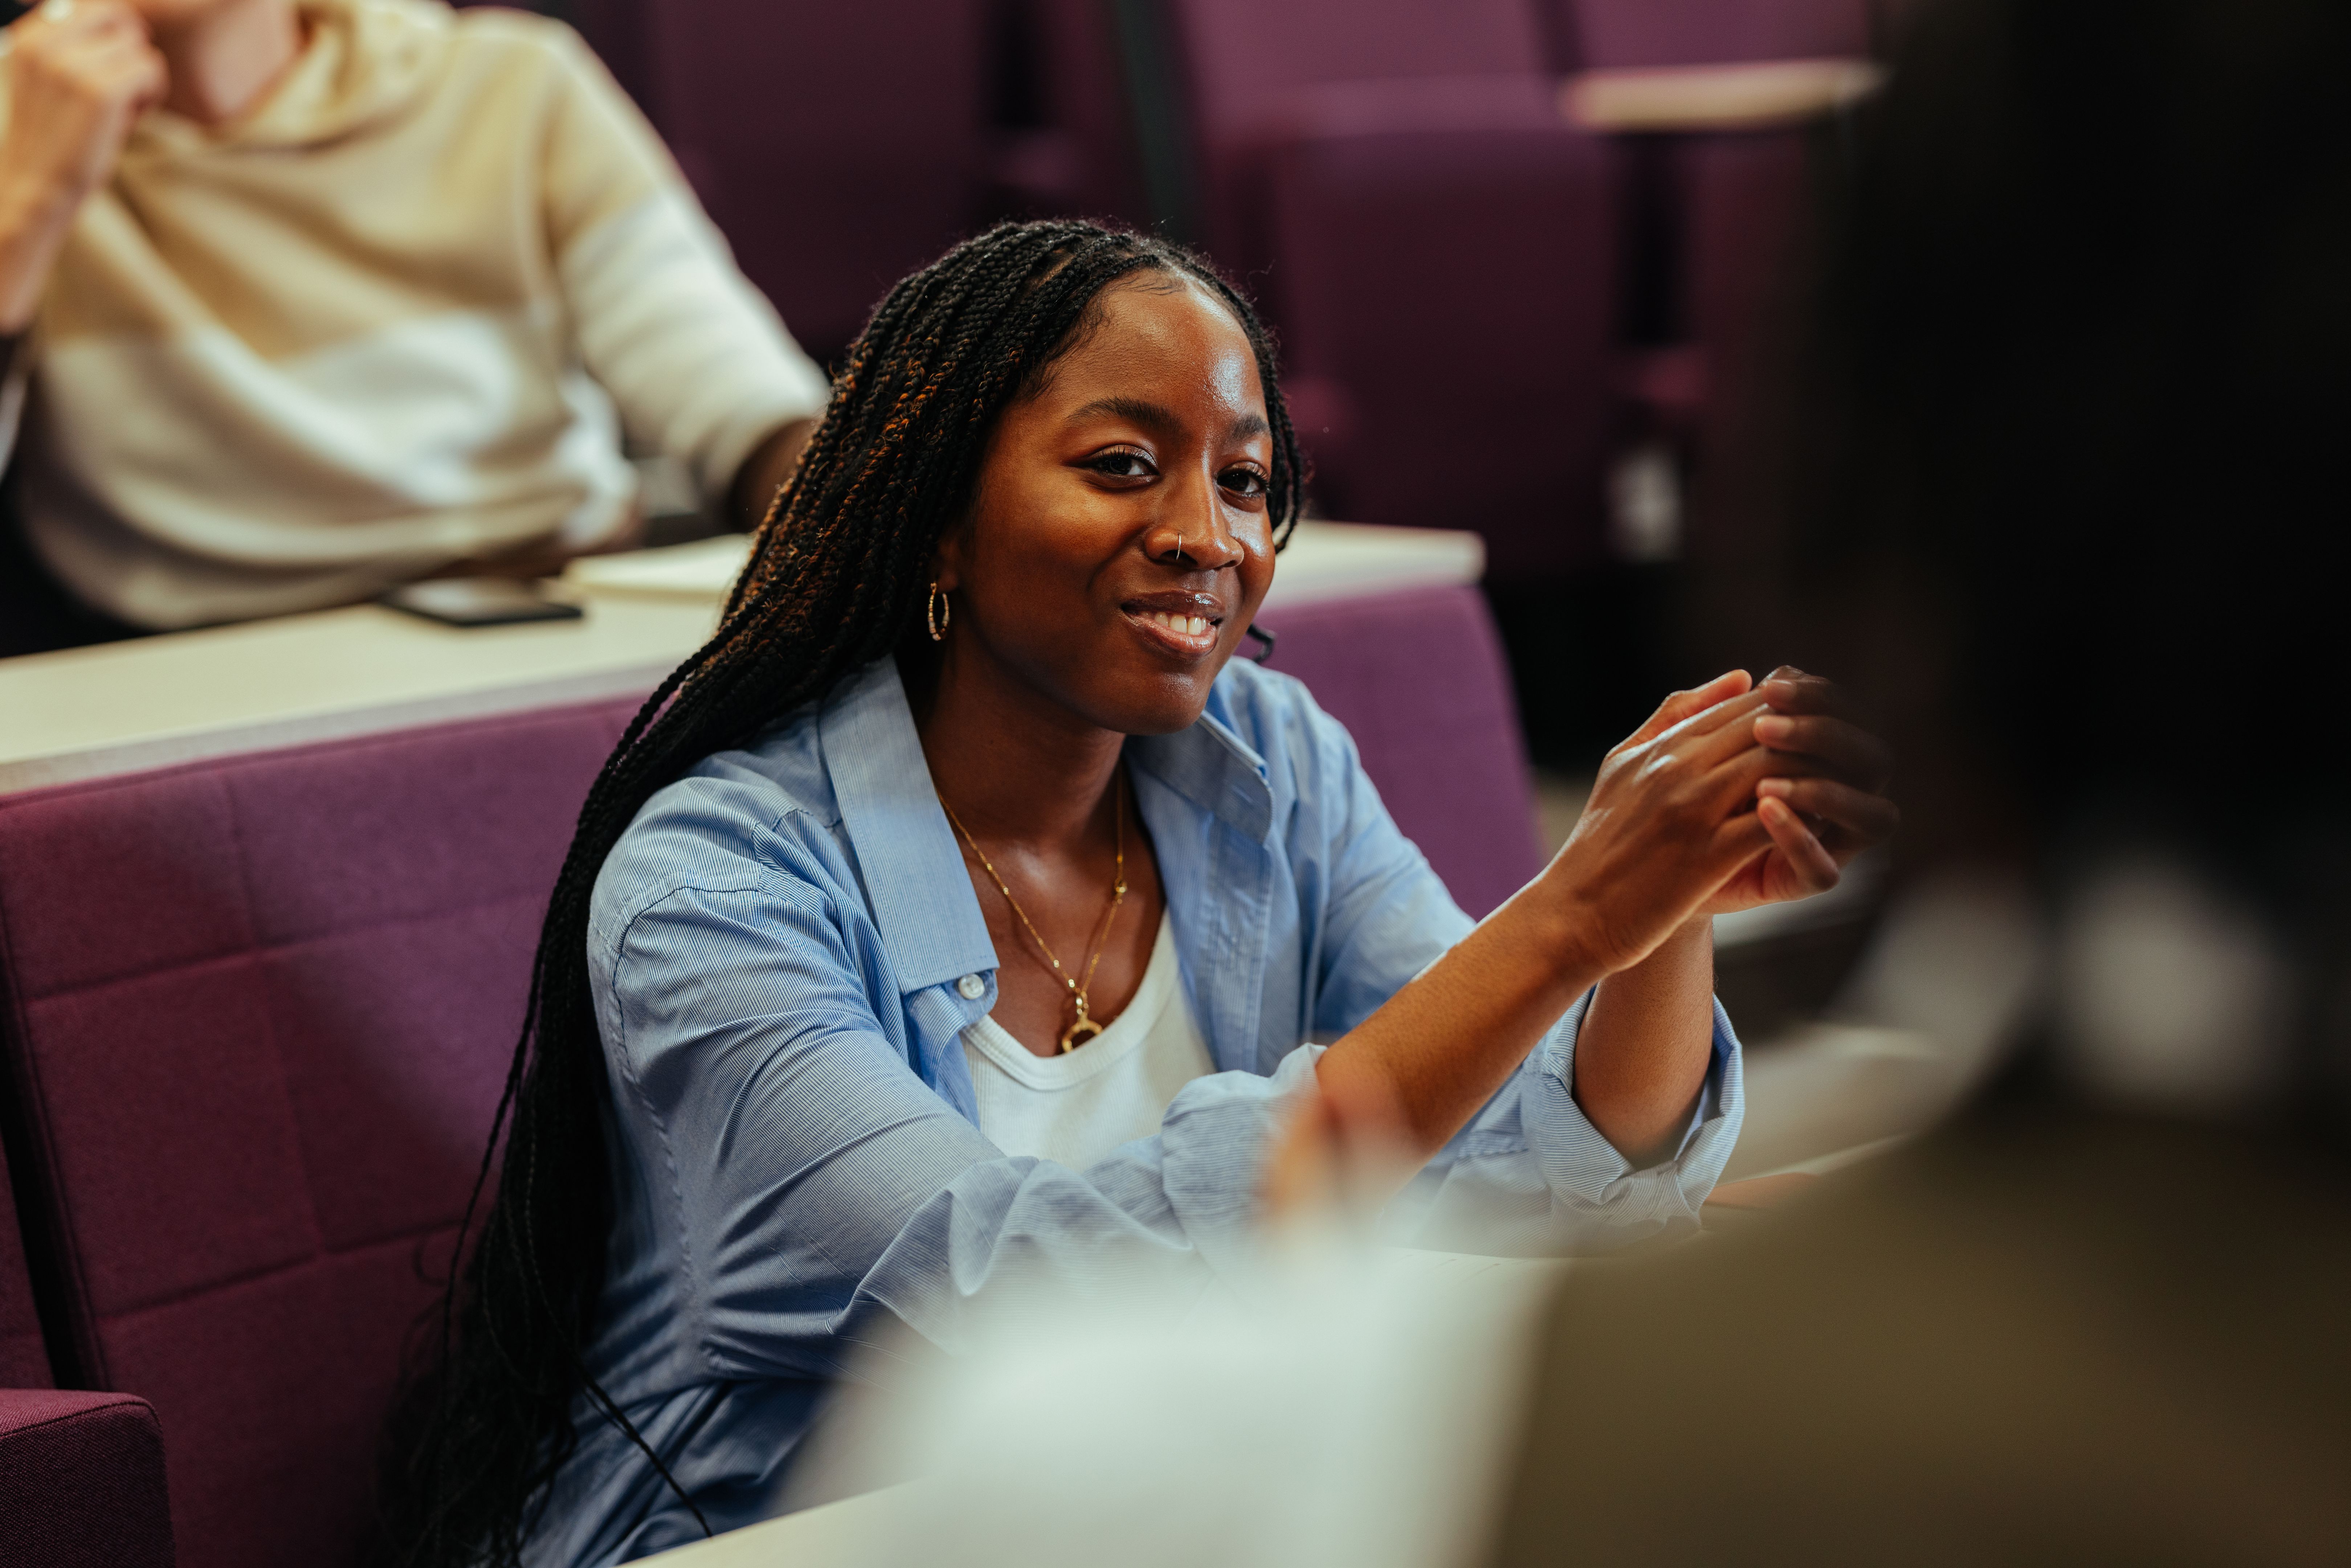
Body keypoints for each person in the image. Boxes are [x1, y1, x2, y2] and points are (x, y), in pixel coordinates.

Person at [375, 218, 1897, 1567]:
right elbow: (1000, 1287)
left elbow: (1544, 1164)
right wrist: (1563, 921)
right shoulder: (713, 883)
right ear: (935, 515)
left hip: (1162, 1502)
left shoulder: (1272, 761)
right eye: (1120, 466)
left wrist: (1656, 913)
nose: (1203, 536)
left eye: (1243, 482)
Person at [0, 0, 826, 652]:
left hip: (549, 618)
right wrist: (29, 207)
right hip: (190, 672)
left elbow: (739, 401)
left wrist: (864, 529)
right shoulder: (18, 139)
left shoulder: (512, 82)